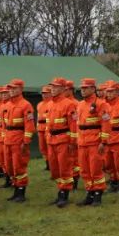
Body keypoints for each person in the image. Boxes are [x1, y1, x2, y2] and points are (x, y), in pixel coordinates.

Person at [73, 78, 107, 206]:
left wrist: (103, 141)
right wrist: (77, 140)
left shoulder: (101, 104)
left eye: (85, 88)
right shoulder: (80, 104)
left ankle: (98, 195)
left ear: (93, 89)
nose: (83, 90)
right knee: (85, 171)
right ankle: (89, 193)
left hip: (95, 142)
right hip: (82, 143)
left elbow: (106, 123)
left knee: (95, 169)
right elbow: (78, 124)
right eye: (82, 88)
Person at [2, 79, 34, 202]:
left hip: (18, 140)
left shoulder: (26, 105)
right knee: (9, 167)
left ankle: (21, 193)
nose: (11, 91)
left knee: (18, 166)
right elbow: (4, 124)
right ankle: (15, 189)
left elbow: (29, 125)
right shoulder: (7, 105)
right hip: (8, 139)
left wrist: (25, 142)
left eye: (14, 88)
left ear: (21, 89)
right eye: (10, 88)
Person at [46, 78, 76, 208]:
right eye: (52, 86)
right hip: (52, 141)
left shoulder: (69, 104)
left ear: (63, 89)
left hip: (64, 140)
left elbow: (73, 125)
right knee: (54, 169)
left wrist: (72, 142)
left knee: (64, 168)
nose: (52, 89)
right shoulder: (50, 104)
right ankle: (60, 190)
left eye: (56, 87)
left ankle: (64, 195)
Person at [36, 85, 53, 171]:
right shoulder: (39, 105)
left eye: (46, 93)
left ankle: (51, 164)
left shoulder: (52, 104)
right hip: (40, 129)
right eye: (43, 93)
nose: (44, 95)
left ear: (51, 93)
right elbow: (38, 117)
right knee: (42, 148)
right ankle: (47, 164)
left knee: (49, 147)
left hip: (48, 128)